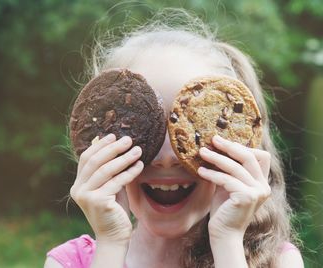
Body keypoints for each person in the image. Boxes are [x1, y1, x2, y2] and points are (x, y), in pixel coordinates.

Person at [44, 9, 304, 268]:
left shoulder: (278, 261)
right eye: (145, 129)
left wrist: (227, 242)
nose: (167, 159)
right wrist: (111, 243)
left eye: (191, 131)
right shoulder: (70, 263)